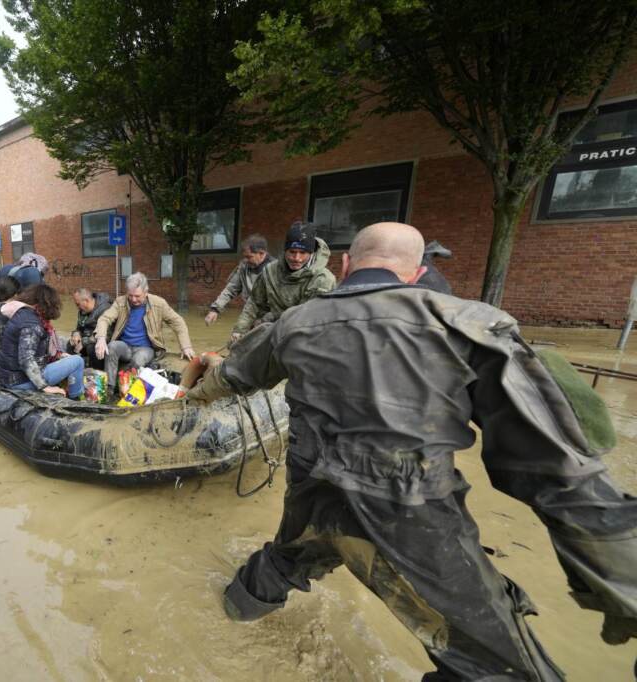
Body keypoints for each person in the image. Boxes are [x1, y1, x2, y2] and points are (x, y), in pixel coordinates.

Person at [187, 222, 637, 681]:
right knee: (498, 666)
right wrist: (624, 583)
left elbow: (230, 377)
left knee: (290, 556)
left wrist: (192, 394)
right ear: (418, 271)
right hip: (411, 516)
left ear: (343, 265)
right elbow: (555, 467)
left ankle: (234, 609)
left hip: (316, 494)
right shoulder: (468, 323)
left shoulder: (295, 322)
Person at [231, 221, 336, 342]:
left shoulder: (323, 279)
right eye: (292, 252)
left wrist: (266, 320)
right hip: (274, 333)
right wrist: (239, 330)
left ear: (311, 253)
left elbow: (305, 318)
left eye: (303, 253)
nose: (297, 258)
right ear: (285, 250)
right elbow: (254, 303)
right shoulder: (270, 271)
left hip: (308, 339)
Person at [94, 272, 196, 393]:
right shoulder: (120, 302)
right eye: (130, 295)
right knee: (111, 347)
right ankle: (109, 389)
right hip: (125, 346)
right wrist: (100, 338)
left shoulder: (159, 303)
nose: (133, 299)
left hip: (146, 348)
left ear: (146, 292)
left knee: (138, 359)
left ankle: (130, 390)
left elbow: (178, 322)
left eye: (137, 296)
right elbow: (105, 318)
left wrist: (186, 346)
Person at [0, 283, 83, 399]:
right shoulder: (32, 325)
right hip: (19, 382)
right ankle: (76, 399)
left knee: (67, 358)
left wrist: (60, 356)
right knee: (78, 361)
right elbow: (26, 359)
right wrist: (45, 387)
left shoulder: (22, 313)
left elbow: (34, 350)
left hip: (11, 376)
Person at [204, 234, 275, 325]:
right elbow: (231, 289)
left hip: (271, 320)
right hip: (249, 316)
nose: (246, 260)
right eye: (244, 256)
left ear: (261, 253)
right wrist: (215, 310)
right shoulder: (244, 268)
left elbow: (282, 304)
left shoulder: (276, 270)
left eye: (249, 257)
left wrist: (263, 321)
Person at [68, 287, 112, 369]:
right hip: (86, 339)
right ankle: (74, 369)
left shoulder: (105, 309)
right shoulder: (82, 310)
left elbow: (108, 335)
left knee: (91, 348)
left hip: (100, 343)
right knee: (71, 343)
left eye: (77, 304)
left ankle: (98, 373)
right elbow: (79, 327)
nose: (77, 307)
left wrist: (84, 342)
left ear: (86, 301)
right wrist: (76, 334)